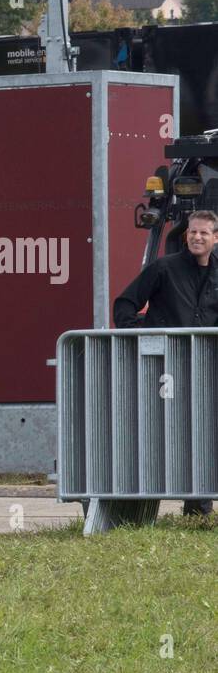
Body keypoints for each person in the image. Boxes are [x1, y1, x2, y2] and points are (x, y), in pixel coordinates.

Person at [114, 209, 218, 516]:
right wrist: (142, 337)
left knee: (203, 433)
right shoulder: (164, 268)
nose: (197, 237)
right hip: (165, 370)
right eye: (192, 232)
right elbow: (125, 305)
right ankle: (137, 506)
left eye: (203, 233)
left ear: (215, 238)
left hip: (206, 370)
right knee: (161, 435)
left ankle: (197, 509)